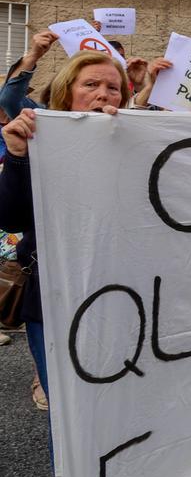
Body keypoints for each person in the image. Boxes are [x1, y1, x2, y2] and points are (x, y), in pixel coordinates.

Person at [0, 52, 131, 439]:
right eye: (90, 84)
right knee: (69, 411)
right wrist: (19, 157)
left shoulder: (138, 145)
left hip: (124, 295)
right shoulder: (39, 140)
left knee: (122, 399)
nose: (103, 94)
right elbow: (11, 219)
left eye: (113, 87)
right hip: (54, 298)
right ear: (66, 93)